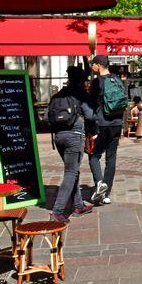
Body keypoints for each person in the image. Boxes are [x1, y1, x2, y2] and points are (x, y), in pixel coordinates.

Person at [48, 66, 95, 223]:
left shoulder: (58, 95)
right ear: (82, 80)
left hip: (59, 137)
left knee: (72, 171)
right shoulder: (81, 94)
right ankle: (57, 211)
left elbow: (48, 119)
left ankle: (78, 204)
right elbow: (89, 115)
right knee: (71, 172)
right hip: (74, 136)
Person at [87, 55, 128, 205]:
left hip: (102, 124)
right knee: (111, 158)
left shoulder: (97, 82)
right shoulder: (116, 79)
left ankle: (100, 185)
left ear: (98, 65)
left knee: (94, 156)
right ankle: (106, 194)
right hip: (117, 123)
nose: (92, 67)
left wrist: (90, 128)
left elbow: (90, 106)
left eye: (93, 65)